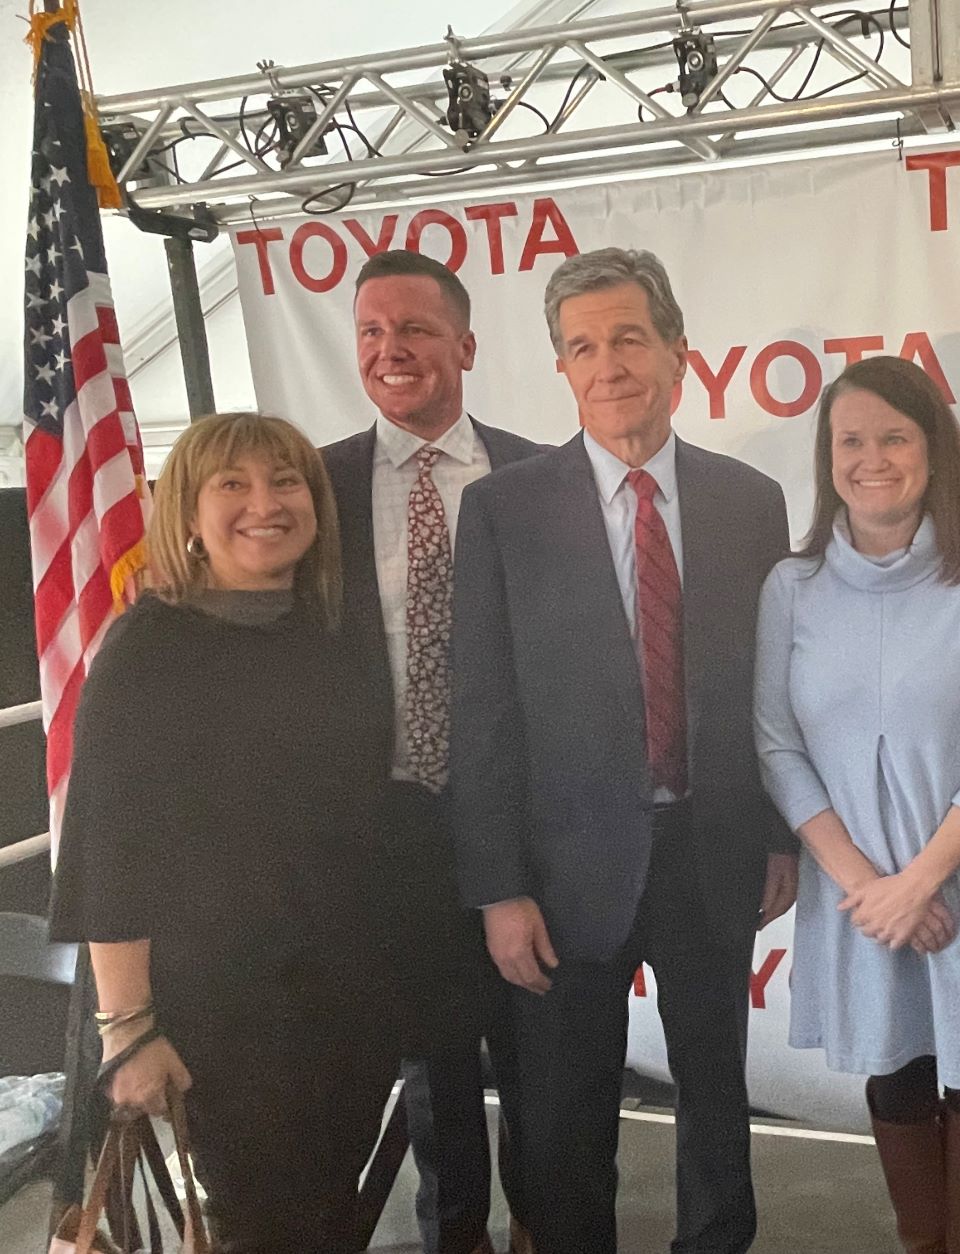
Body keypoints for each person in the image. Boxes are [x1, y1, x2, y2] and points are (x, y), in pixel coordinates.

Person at [448, 247, 798, 1254]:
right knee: (562, 1125)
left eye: (629, 339)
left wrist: (777, 833)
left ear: (678, 352)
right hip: (560, 876)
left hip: (710, 849)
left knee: (717, 1105)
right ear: (562, 369)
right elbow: (484, 713)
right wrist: (499, 889)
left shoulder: (748, 501)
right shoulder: (504, 509)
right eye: (581, 347)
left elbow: (763, 688)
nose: (608, 365)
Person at [49, 412, 400, 1253]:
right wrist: (127, 1028)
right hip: (226, 1013)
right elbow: (111, 849)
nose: (265, 503)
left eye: (286, 482)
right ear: (190, 515)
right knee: (269, 1224)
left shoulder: (327, 638)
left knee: (324, 1215)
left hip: (344, 1000)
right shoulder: (147, 651)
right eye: (232, 485)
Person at [754, 356, 960, 1254]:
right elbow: (777, 746)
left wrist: (921, 880)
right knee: (895, 1075)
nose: (872, 456)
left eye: (894, 435)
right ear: (827, 457)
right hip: (855, 893)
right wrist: (870, 888)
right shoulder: (793, 587)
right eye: (850, 439)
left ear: (933, 448)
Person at [323, 248, 542, 1254]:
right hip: (394, 836)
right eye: (371, 331)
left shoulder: (543, 478)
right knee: (436, 1075)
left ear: (464, 342)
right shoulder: (316, 489)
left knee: (547, 1064)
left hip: (531, 831)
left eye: (412, 328)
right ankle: (458, 1239)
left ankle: (554, 1227)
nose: (390, 349)